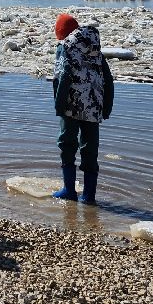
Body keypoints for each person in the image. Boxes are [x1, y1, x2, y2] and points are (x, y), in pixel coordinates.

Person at [51, 12, 114, 205]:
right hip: (94, 106)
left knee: (67, 144)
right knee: (90, 149)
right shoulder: (95, 49)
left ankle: (69, 190)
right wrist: (106, 106)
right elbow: (108, 79)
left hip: (72, 105)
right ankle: (88, 197)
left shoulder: (65, 47)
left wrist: (59, 105)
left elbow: (62, 76)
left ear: (62, 33)